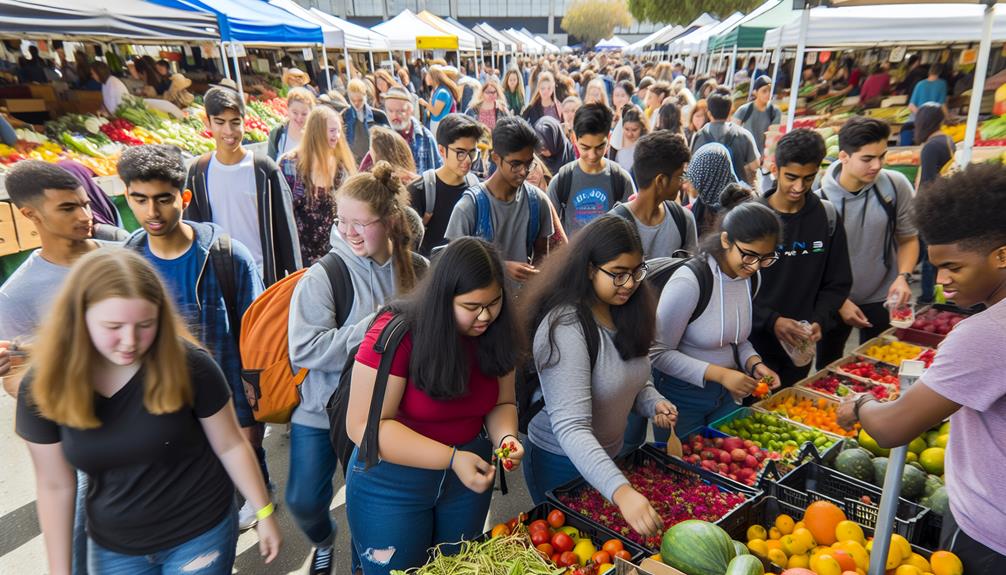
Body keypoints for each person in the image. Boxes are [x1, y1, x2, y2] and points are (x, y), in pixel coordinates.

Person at [15, 249, 281, 574]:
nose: (130, 341)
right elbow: (55, 484)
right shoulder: (42, 386)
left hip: (200, 532)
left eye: (145, 324)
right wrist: (60, 568)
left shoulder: (191, 365)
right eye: (113, 326)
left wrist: (263, 512)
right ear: (78, 318)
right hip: (114, 545)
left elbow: (230, 444)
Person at [836, 163, 1006, 573]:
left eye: (954, 267)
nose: (941, 281)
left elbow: (893, 428)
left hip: (989, 536)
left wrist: (859, 405)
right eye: (937, 266)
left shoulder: (985, 335)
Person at [117, 145, 272, 530]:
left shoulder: (227, 257)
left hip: (224, 396)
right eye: (140, 200)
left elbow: (256, 337)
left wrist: (252, 410)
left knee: (239, 477)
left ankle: (257, 500)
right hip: (157, 403)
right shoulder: (126, 261)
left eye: (163, 199)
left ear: (184, 198)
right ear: (127, 199)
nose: (152, 212)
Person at [345, 238, 521, 575]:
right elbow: (364, 427)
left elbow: (502, 402)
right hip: (391, 484)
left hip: (466, 481)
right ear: (443, 299)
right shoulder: (398, 333)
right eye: (472, 306)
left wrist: (505, 439)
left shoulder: (497, 331)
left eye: (494, 302)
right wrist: (451, 459)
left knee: (456, 568)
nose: (486, 316)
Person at [287, 162, 426, 575]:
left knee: (368, 507)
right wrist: (374, 328)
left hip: (386, 416)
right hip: (319, 409)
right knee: (302, 501)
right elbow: (306, 349)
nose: (348, 232)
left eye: (360, 223)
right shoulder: (324, 275)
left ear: (390, 221)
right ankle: (323, 539)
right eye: (341, 221)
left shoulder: (417, 270)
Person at [520, 215, 676, 537]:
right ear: (590, 269)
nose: (630, 284)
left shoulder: (628, 308)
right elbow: (571, 427)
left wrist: (653, 402)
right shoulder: (565, 326)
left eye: (636, 272)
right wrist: (622, 491)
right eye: (618, 274)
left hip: (607, 457)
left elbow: (633, 377)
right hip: (560, 460)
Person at [647, 187, 783, 439]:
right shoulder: (691, 282)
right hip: (681, 399)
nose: (755, 266)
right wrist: (721, 374)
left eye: (765, 258)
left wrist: (755, 364)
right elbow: (658, 354)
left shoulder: (750, 279)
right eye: (748, 255)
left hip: (727, 396)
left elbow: (738, 339)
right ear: (725, 241)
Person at [751, 129, 852, 387]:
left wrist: (820, 319)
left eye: (808, 178)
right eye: (791, 177)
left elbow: (837, 282)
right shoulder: (752, 219)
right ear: (775, 168)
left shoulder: (826, 217)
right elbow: (730, 288)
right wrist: (771, 321)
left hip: (800, 349)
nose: (799, 187)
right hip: (752, 349)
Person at [817, 117, 919, 366]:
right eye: (867, 159)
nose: (877, 165)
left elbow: (908, 238)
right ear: (843, 156)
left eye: (882, 156)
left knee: (881, 365)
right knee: (827, 368)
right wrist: (839, 300)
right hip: (833, 300)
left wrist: (903, 277)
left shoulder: (895, 186)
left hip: (883, 297)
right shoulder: (819, 200)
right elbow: (813, 263)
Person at [184, 86, 302, 287]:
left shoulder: (263, 170)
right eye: (220, 122)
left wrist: (296, 281)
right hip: (219, 279)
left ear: (244, 123)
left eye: (235, 122)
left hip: (264, 277)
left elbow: (286, 230)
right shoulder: (198, 172)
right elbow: (193, 230)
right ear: (208, 122)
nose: (228, 131)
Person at [445, 116, 554, 288]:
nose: (523, 172)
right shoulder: (469, 207)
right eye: (515, 164)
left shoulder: (538, 202)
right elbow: (454, 263)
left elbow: (541, 253)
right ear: (496, 158)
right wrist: (500, 267)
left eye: (529, 163)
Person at [278, 106, 357, 265]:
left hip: (336, 257)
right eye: (332, 131)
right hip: (299, 259)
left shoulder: (342, 168)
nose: (337, 136)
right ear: (317, 131)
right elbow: (280, 213)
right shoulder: (289, 164)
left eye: (339, 131)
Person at [547, 103, 634, 237]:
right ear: (574, 138)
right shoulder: (561, 181)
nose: (592, 155)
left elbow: (631, 229)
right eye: (585, 148)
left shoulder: (621, 179)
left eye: (599, 147)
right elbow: (550, 233)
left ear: (608, 139)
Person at [610, 131, 697, 259]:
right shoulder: (614, 226)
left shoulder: (683, 220)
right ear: (661, 180)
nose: (682, 184)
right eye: (679, 176)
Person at [408, 114, 484, 256]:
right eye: (460, 153)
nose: (468, 160)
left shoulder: (479, 189)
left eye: (472, 152)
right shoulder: (419, 191)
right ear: (442, 150)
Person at [915, 103, 955, 304]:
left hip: (932, 208)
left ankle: (927, 297)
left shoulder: (930, 146)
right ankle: (943, 296)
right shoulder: (947, 140)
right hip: (946, 204)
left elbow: (927, 181)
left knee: (930, 258)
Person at [360, 87, 442, 174]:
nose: (394, 116)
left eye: (400, 111)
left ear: (411, 111)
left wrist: (418, 180)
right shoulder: (381, 138)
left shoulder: (425, 137)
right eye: (390, 111)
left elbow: (438, 173)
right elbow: (363, 173)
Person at [691, 91, 760, 186]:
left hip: (707, 197)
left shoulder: (699, 136)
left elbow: (693, 171)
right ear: (729, 113)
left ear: (709, 114)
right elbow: (755, 165)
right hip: (737, 196)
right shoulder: (744, 135)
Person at [688, 143, 742, 235]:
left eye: (696, 179)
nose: (688, 186)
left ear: (709, 178)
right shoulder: (697, 208)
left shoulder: (739, 214)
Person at [344, 79, 390, 165]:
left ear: (365, 96)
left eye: (360, 100)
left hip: (375, 162)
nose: (356, 104)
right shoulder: (343, 116)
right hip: (353, 164)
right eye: (353, 100)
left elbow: (388, 144)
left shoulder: (379, 116)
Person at [732, 76, 780, 156]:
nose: (768, 94)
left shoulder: (774, 112)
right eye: (764, 91)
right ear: (755, 92)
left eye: (769, 91)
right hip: (746, 156)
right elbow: (733, 133)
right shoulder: (744, 110)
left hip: (765, 156)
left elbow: (774, 136)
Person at [267, 88, 316, 161]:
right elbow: (270, 163)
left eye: (304, 114)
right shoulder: (277, 133)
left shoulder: (316, 134)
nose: (299, 118)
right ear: (288, 110)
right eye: (295, 113)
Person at [419, 65, 460, 137]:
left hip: (439, 124)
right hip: (437, 124)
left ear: (433, 77)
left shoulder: (442, 92)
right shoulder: (438, 90)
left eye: (427, 76)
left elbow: (436, 112)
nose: (425, 78)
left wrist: (425, 104)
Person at [613, 105, 648, 173]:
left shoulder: (646, 146)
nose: (630, 134)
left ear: (642, 128)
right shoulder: (617, 142)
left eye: (634, 130)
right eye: (627, 129)